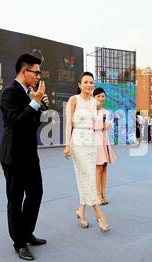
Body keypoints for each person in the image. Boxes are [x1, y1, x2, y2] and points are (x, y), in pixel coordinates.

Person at [0, 54, 49, 261]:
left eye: (39, 73)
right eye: (36, 72)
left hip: (29, 153)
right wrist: (34, 103)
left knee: (36, 192)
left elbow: (31, 124)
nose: (38, 76)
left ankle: (27, 232)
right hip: (13, 155)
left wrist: (39, 105)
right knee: (15, 199)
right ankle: (19, 243)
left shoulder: (30, 93)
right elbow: (14, 122)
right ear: (23, 71)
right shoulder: (9, 92)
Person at [63, 72, 110, 233]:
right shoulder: (74, 100)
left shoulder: (93, 103)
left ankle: (81, 211)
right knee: (89, 178)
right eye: (86, 82)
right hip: (78, 141)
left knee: (86, 176)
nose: (89, 85)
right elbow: (69, 123)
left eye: (91, 82)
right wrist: (67, 145)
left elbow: (94, 124)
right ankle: (99, 215)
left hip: (91, 143)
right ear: (79, 84)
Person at [93, 87, 116, 205]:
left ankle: (103, 194)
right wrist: (99, 127)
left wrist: (108, 126)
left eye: (102, 96)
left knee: (104, 167)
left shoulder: (106, 112)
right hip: (95, 141)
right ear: (93, 98)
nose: (101, 98)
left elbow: (107, 126)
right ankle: (97, 195)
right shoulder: (90, 111)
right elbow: (87, 128)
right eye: (98, 96)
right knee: (98, 168)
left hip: (104, 140)